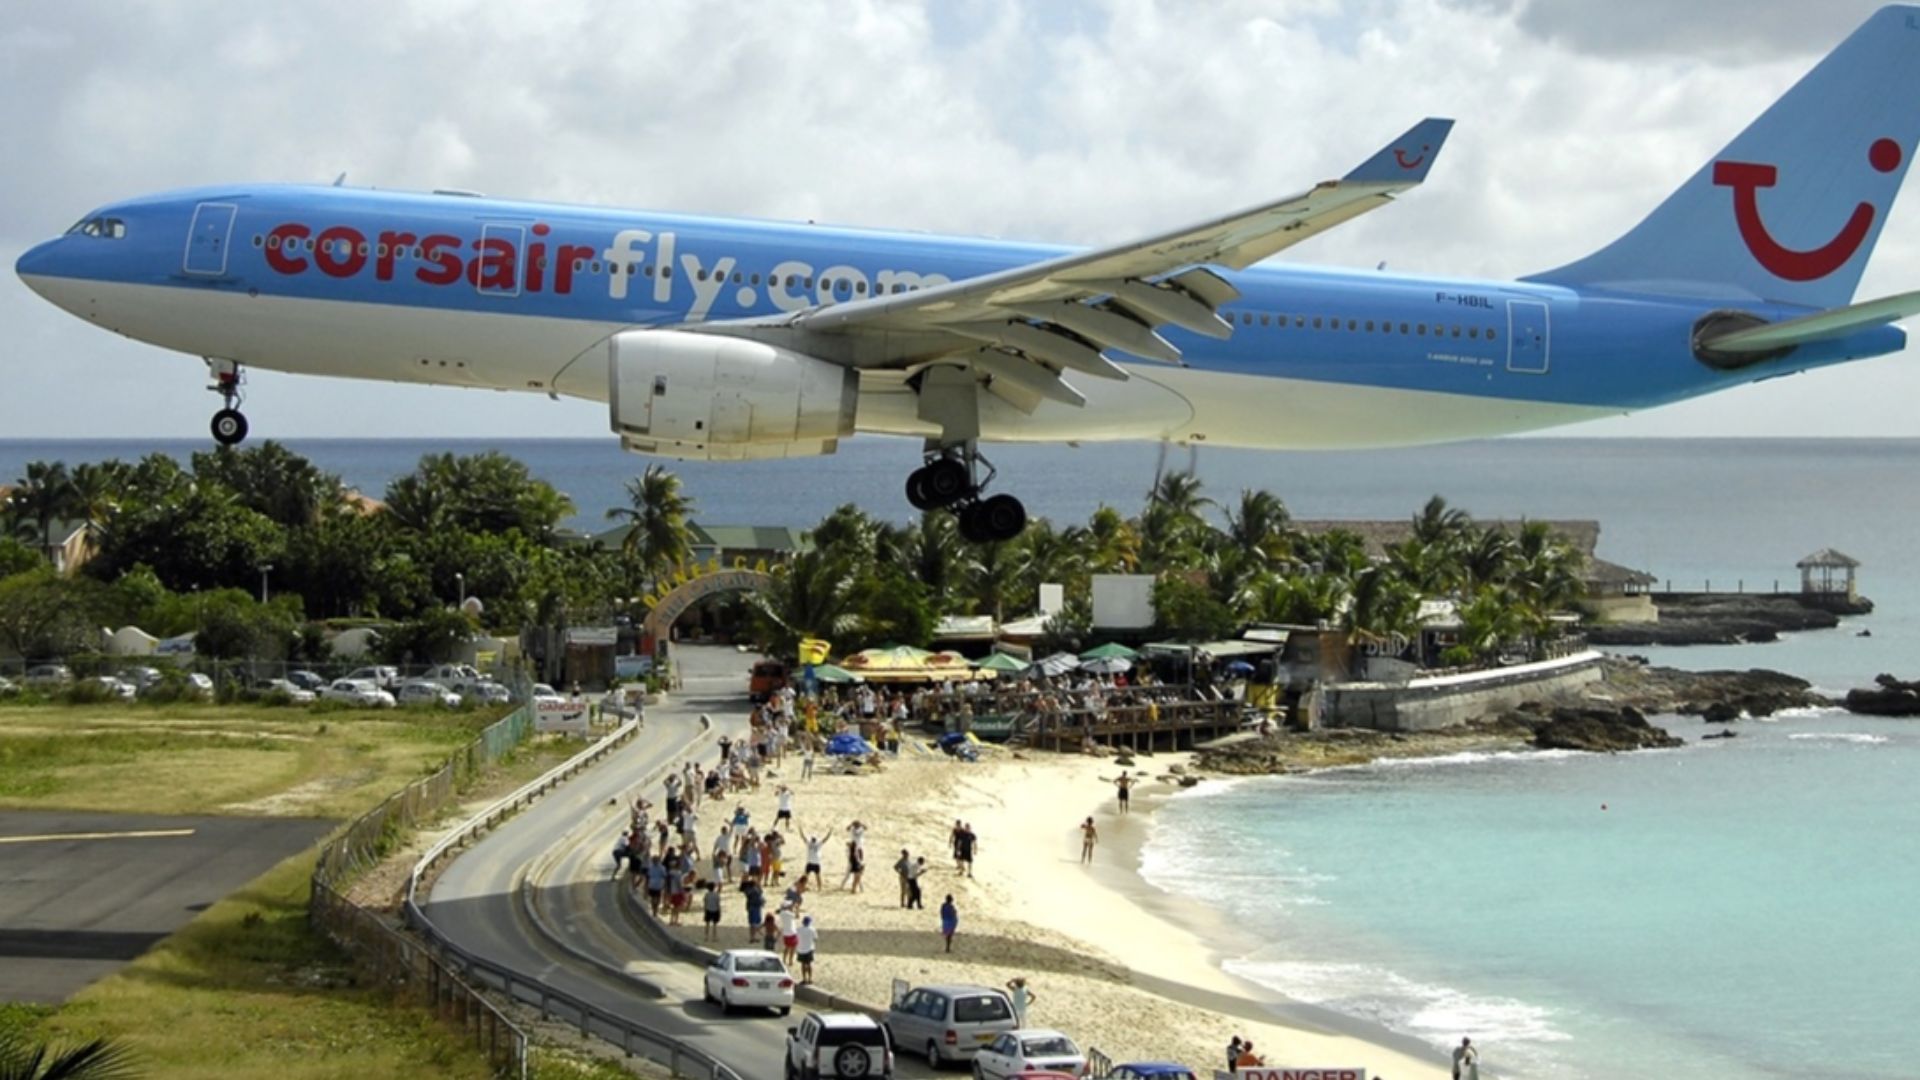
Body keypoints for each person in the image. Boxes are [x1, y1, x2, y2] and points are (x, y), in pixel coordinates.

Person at [795, 914, 819, 984]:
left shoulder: (798, 929)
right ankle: (810, 978)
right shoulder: (812, 929)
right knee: (809, 964)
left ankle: (804, 979)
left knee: (802, 964)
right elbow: (815, 939)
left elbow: (796, 937)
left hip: (801, 949)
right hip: (809, 948)